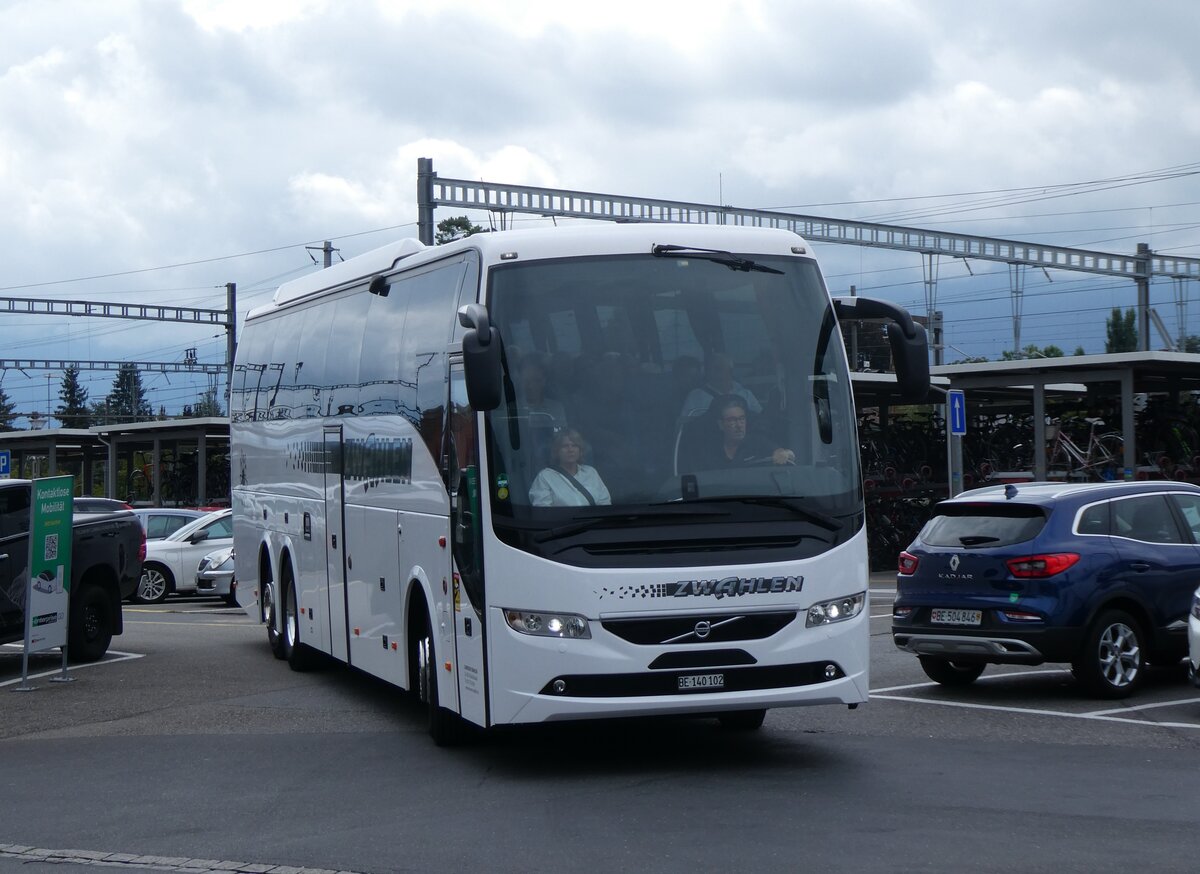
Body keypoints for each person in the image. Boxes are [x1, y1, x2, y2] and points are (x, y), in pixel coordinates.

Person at [692, 394, 794, 468]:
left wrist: (783, 454)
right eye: (732, 420)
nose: (739, 425)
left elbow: (785, 453)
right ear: (720, 424)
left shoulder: (757, 442)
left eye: (742, 419)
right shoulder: (706, 450)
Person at [528, 428, 612, 507]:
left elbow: (604, 502)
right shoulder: (545, 477)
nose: (570, 450)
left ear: (580, 450)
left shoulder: (591, 472)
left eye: (574, 445)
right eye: (565, 446)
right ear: (557, 451)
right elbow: (543, 510)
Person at [679, 352, 762, 419]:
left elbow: (760, 420)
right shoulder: (696, 396)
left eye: (718, 369)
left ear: (730, 371)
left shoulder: (746, 395)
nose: (712, 373)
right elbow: (686, 426)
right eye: (709, 369)